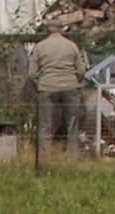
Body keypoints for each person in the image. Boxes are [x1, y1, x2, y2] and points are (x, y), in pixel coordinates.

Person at [31, 21, 86, 150]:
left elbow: (32, 73)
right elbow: (81, 70)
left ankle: (45, 157)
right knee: (72, 124)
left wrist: (41, 84)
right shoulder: (72, 46)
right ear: (61, 30)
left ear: (47, 31)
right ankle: (72, 156)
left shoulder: (40, 47)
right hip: (70, 86)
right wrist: (74, 81)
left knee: (45, 125)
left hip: (47, 86)